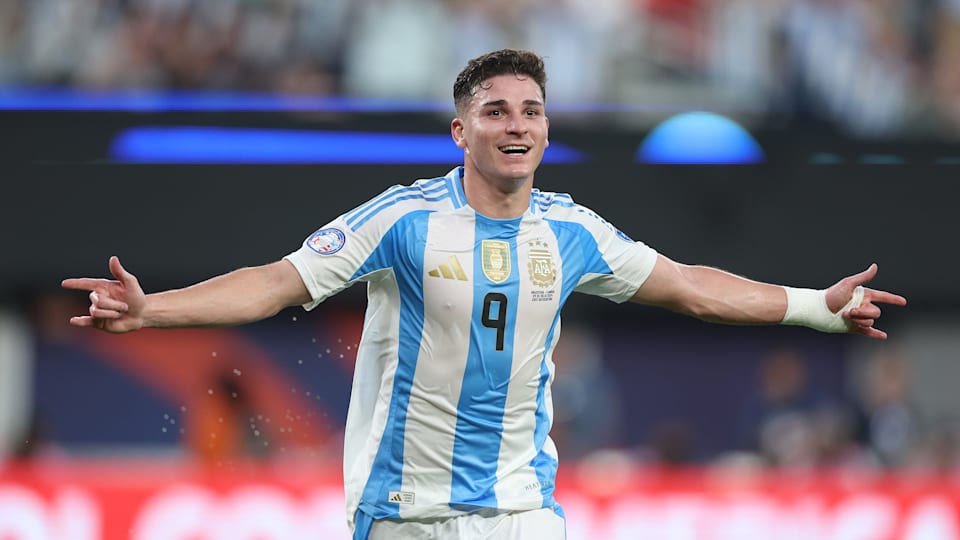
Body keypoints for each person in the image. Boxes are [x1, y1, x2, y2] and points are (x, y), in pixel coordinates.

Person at [62, 49, 907, 540]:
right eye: (497, 111)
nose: (518, 125)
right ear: (461, 131)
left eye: (532, 111)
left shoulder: (572, 232)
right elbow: (279, 282)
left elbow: (690, 287)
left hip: (523, 511)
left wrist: (809, 305)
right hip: (408, 513)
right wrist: (153, 309)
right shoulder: (402, 219)